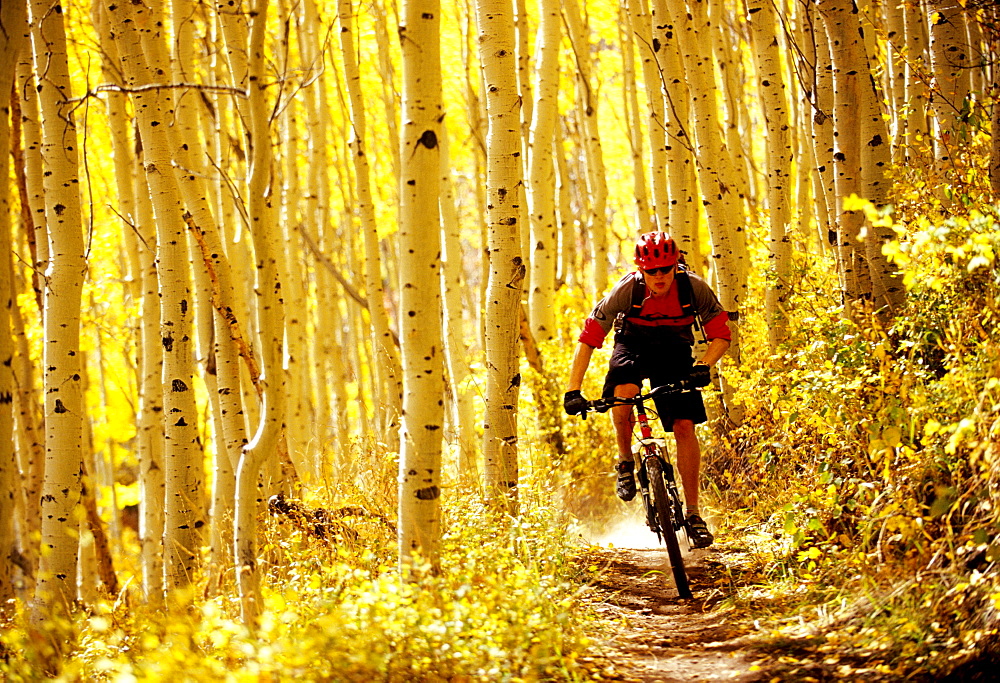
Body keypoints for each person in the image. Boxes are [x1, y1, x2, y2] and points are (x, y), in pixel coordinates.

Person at [563, 231, 731, 548]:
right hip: (632, 345)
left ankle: (694, 515)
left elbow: (721, 334)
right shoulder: (627, 289)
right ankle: (626, 460)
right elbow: (588, 339)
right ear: (641, 269)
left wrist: (703, 366)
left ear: (674, 265)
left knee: (684, 425)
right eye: (651, 270)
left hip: (674, 351)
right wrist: (573, 390)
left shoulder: (693, 287)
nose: (658, 276)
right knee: (623, 396)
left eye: (664, 269)